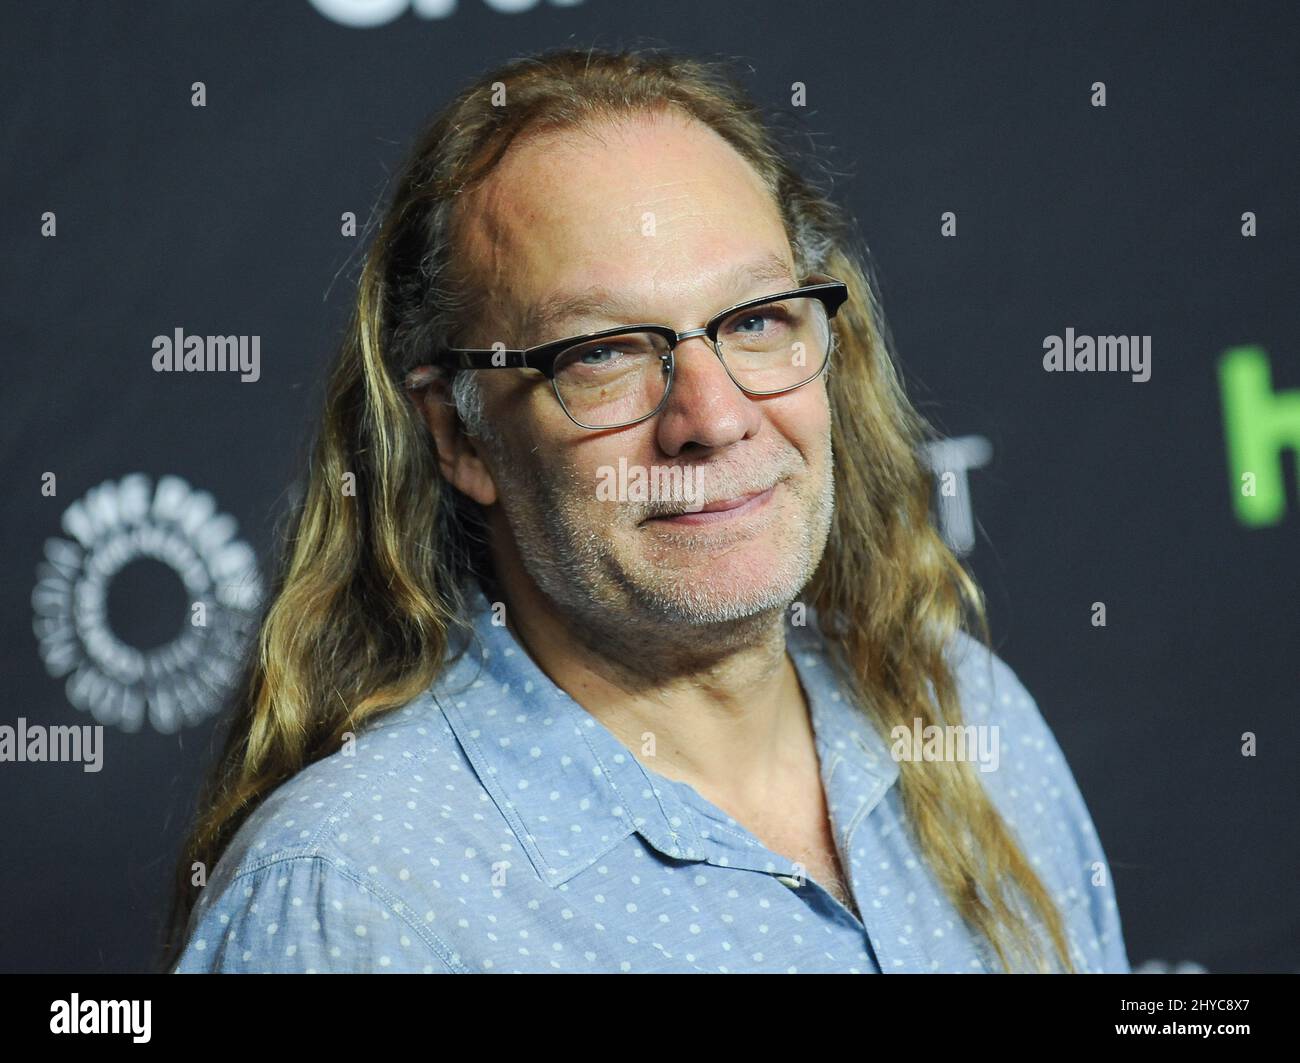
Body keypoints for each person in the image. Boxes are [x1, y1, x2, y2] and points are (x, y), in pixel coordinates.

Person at [163, 45, 1128, 974]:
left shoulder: (962, 713)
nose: (713, 417)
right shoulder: (356, 896)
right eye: (603, 351)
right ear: (459, 437)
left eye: (755, 321)